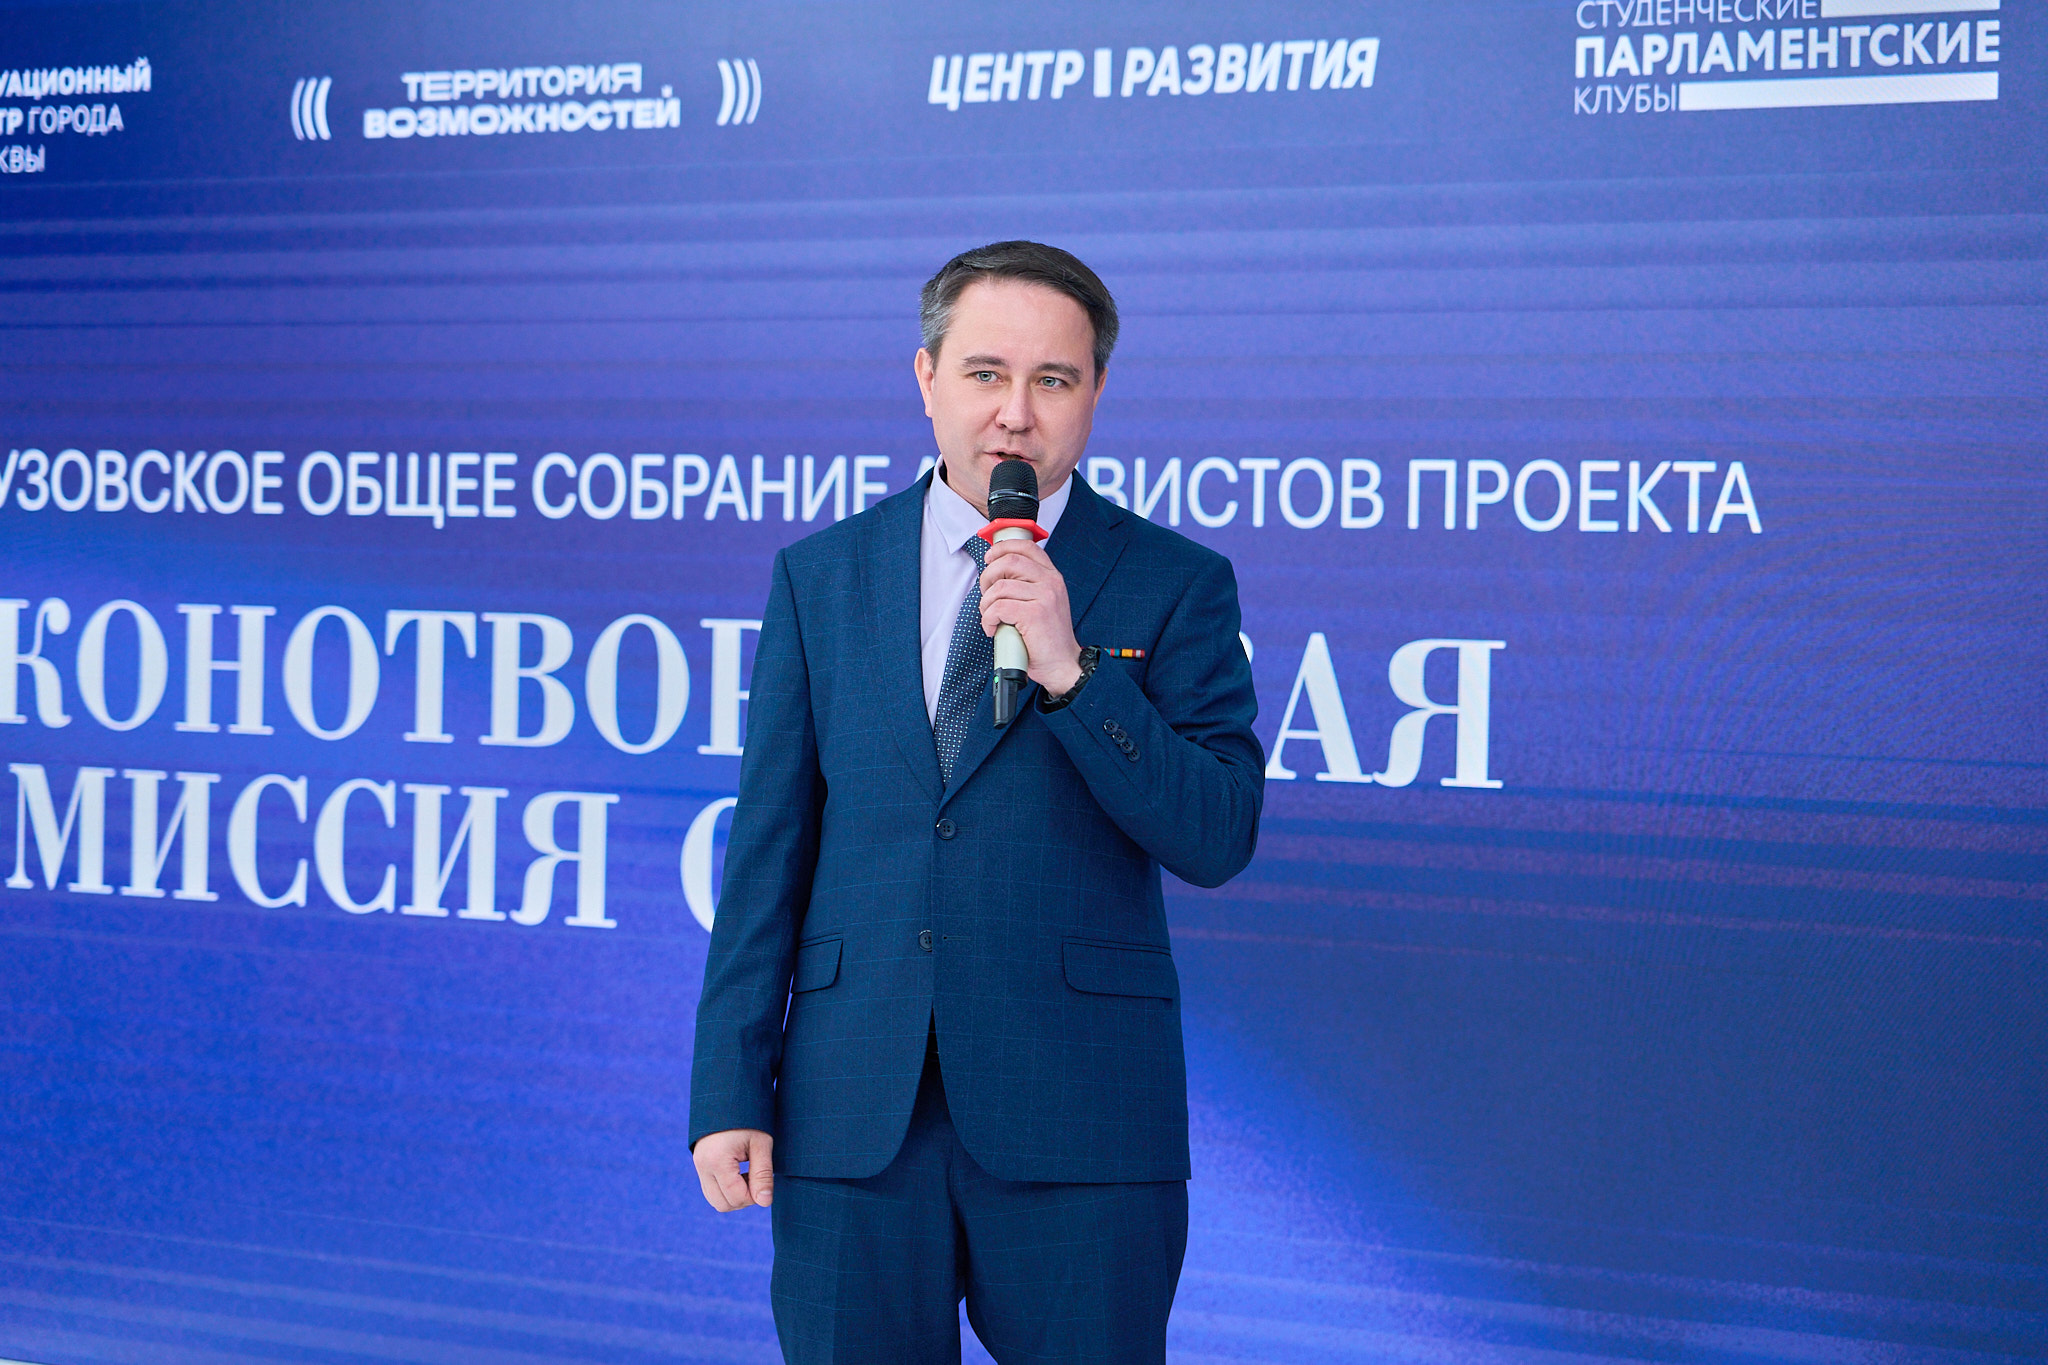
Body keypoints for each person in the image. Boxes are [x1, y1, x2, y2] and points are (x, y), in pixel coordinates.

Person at [689, 240, 1264, 1363]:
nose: (1015, 414)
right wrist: (728, 1086)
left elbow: (1217, 832)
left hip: (1083, 1120)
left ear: (1096, 391)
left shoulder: (1176, 581)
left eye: (1052, 379)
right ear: (926, 377)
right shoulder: (823, 576)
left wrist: (1073, 674)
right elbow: (767, 854)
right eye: (985, 373)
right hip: (854, 1116)